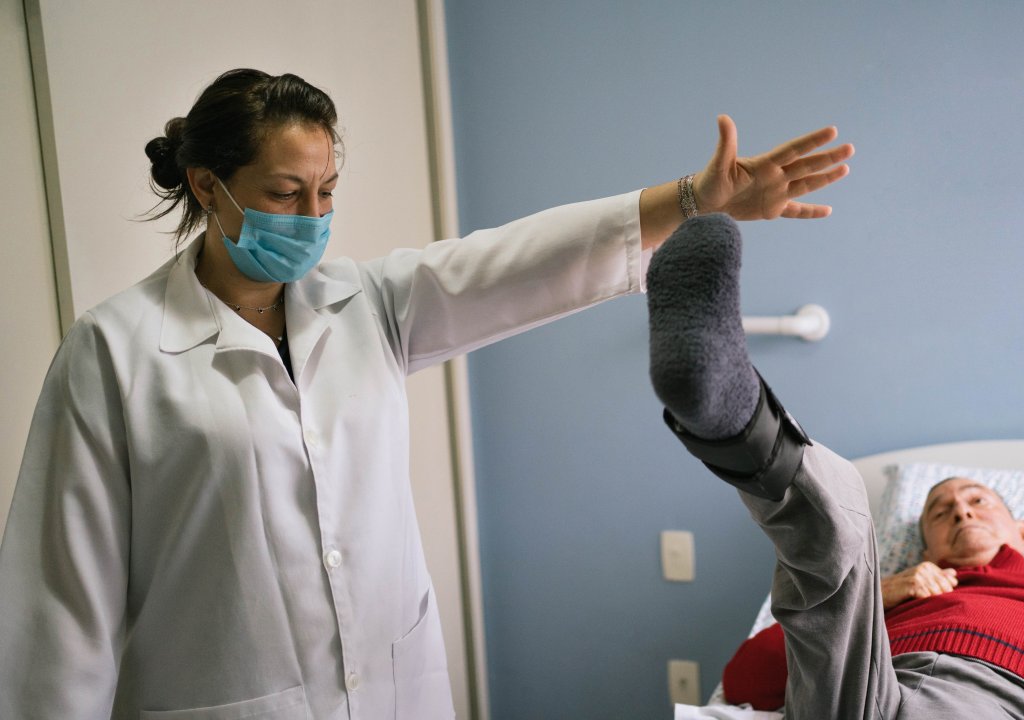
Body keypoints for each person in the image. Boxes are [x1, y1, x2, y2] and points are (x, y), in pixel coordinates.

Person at [0, 68, 853, 719]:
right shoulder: (113, 351)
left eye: (326, 192)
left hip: (395, 690)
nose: (310, 215)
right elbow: (58, 603)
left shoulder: (365, 304)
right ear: (206, 186)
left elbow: (515, 259)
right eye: (283, 194)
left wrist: (697, 199)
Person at [645, 214, 1024, 720]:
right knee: (840, 527)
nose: (961, 509)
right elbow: (746, 682)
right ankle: (731, 414)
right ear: (927, 544)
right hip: (871, 697)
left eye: (978, 500)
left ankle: (737, 421)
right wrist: (887, 592)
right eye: (941, 510)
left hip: (1007, 704)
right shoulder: (889, 597)